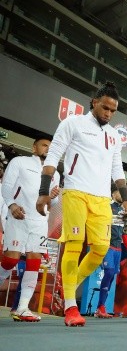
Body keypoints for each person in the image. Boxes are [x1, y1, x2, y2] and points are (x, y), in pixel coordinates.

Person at [36, 81, 127, 327]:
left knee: (100, 250)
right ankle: (70, 306)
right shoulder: (72, 124)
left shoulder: (113, 135)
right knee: (75, 245)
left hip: (102, 199)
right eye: (105, 108)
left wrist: (126, 197)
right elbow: (54, 155)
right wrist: (43, 191)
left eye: (112, 110)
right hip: (75, 193)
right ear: (94, 102)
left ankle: (69, 285)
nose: (108, 114)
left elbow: (117, 168)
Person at [0, 137, 60, 322]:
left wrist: (52, 197)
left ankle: (23, 308)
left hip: (40, 221)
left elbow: (53, 202)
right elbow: (7, 186)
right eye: (44, 145)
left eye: (51, 147)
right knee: (11, 260)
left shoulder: (55, 174)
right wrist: (11, 205)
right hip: (19, 216)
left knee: (34, 262)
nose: (47, 149)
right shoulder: (20, 162)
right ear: (34, 147)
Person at [94, 189, 127, 318]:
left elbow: (125, 233)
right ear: (113, 194)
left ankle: (100, 308)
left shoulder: (124, 211)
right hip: (107, 245)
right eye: (119, 193)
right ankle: (100, 307)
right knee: (109, 272)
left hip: (118, 248)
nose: (122, 196)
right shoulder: (107, 207)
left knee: (111, 278)